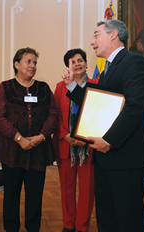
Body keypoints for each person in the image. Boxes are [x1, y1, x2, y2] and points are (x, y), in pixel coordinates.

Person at [61, 20, 144, 232]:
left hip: (126, 158)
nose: (92, 43)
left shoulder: (134, 62)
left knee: (128, 219)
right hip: (106, 158)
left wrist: (109, 140)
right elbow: (96, 104)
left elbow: (136, 107)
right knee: (108, 218)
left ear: (113, 35)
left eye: (96, 35)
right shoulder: (108, 69)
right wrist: (71, 85)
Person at [0, 47, 59, 232]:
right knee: (11, 194)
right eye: (28, 61)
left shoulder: (43, 88)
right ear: (16, 64)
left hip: (38, 150)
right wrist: (19, 138)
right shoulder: (5, 87)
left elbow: (53, 114)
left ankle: (33, 228)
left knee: (35, 195)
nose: (32, 66)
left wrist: (42, 136)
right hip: (11, 150)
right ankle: (11, 228)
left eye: (35, 62)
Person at [53, 49, 98, 232]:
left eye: (80, 60)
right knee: (67, 189)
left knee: (87, 190)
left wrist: (85, 139)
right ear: (67, 67)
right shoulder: (60, 86)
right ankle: (68, 225)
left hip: (89, 146)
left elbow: (97, 113)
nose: (77, 64)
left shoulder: (96, 84)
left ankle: (82, 226)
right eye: (73, 62)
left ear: (86, 63)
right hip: (66, 145)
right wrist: (65, 135)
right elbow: (54, 115)